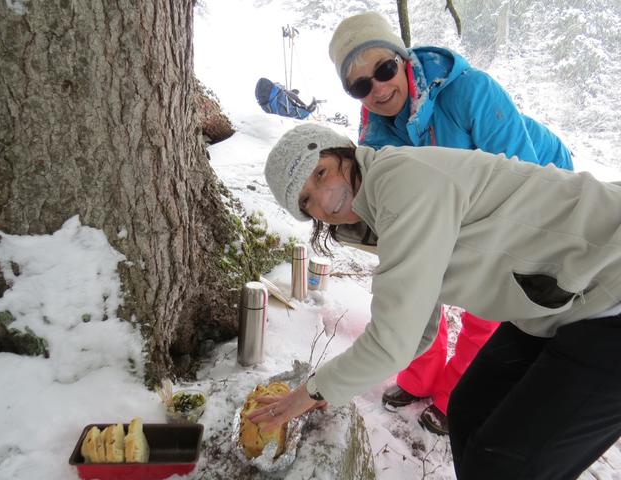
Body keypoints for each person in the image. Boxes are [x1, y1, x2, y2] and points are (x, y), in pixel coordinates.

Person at [248, 123, 621, 480]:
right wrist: (330, 388)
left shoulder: (403, 182)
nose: (324, 197)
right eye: (306, 200)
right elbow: (415, 333)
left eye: (322, 173)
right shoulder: (377, 214)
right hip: (558, 306)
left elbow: (391, 343)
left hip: (609, 285)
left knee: (505, 467)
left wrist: (311, 392)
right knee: (467, 410)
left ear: (345, 152)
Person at [324, 11, 574, 435]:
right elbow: (396, 228)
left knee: (487, 298)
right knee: (418, 282)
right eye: (361, 85)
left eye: (384, 69)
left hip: (534, 184)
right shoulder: (375, 135)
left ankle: (454, 395)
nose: (379, 89)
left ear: (401, 58)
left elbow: (526, 180)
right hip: (455, 202)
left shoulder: (470, 91)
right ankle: (419, 377)